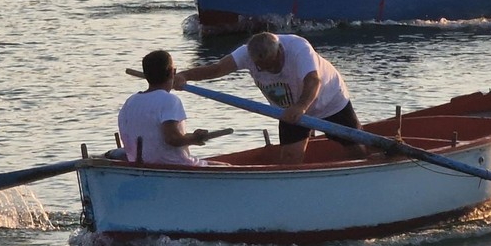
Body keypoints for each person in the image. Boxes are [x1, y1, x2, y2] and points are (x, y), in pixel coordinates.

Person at [174, 32, 367, 164]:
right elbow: (217, 69)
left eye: (273, 65)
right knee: (290, 156)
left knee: (355, 148)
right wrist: (185, 75)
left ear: (280, 51)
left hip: (329, 100)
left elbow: (313, 80)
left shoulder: (299, 48)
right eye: (262, 67)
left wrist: (301, 107)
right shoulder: (246, 53)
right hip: (288, 108)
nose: (270, 71)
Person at [117, 50, 210, 166]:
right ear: (173, 72)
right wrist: (194, 139)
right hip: (175, 165)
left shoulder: (129, 103)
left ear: (146, 75)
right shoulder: (170, 100)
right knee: (227, 167)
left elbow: (155, 136)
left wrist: (192, 137)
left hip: (140, 164)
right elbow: (172, 138)